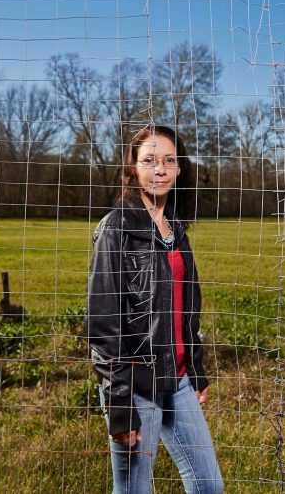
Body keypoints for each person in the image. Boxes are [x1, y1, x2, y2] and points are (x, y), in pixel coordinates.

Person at [87, 124, 224, 494]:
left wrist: (195, 367)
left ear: (180, 169)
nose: (160, 169)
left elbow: (185, 309)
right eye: (149, 160)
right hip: (135, 382)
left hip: (178, 379)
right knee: (134, 489)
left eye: (168, 160)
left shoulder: (176, 229)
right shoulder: (116, 228)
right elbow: (102, 325)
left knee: (209, 486)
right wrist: (119, 401)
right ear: (132, 169)